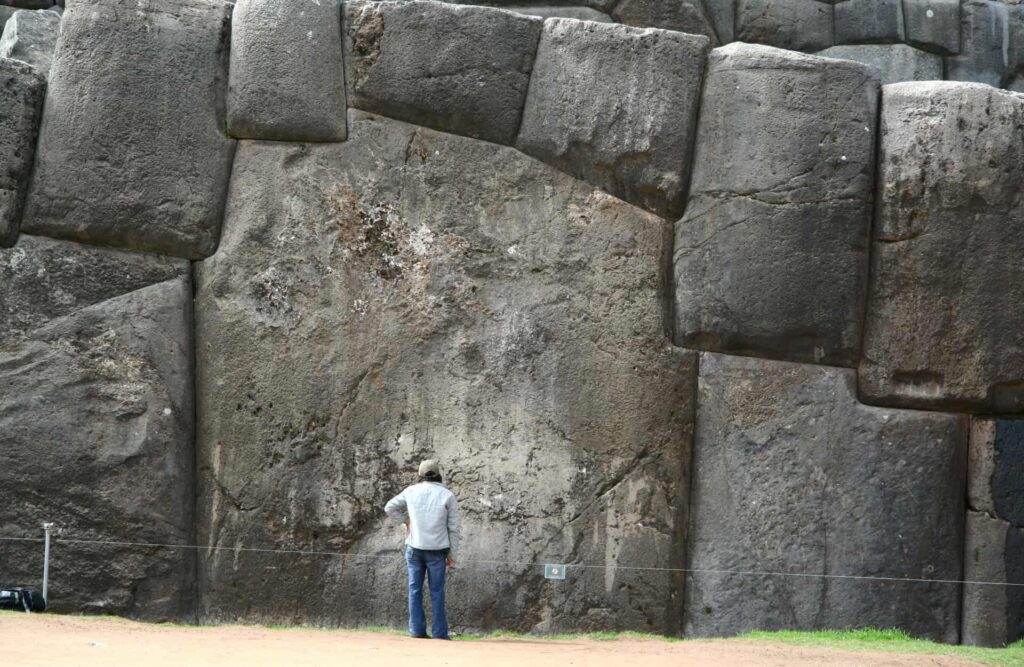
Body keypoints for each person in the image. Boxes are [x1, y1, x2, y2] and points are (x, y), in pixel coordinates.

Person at [384, 459, 461, 639]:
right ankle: (440, 633)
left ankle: (417, 631)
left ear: (419, 475)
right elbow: (454, 528)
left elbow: (389, 507)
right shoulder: (447, 495)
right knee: (437, 592)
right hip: (437, 550)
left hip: (414, 548)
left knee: (414, 590)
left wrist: (405, 521)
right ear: (438, 474)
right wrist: (452, 555)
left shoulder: (411, 491)